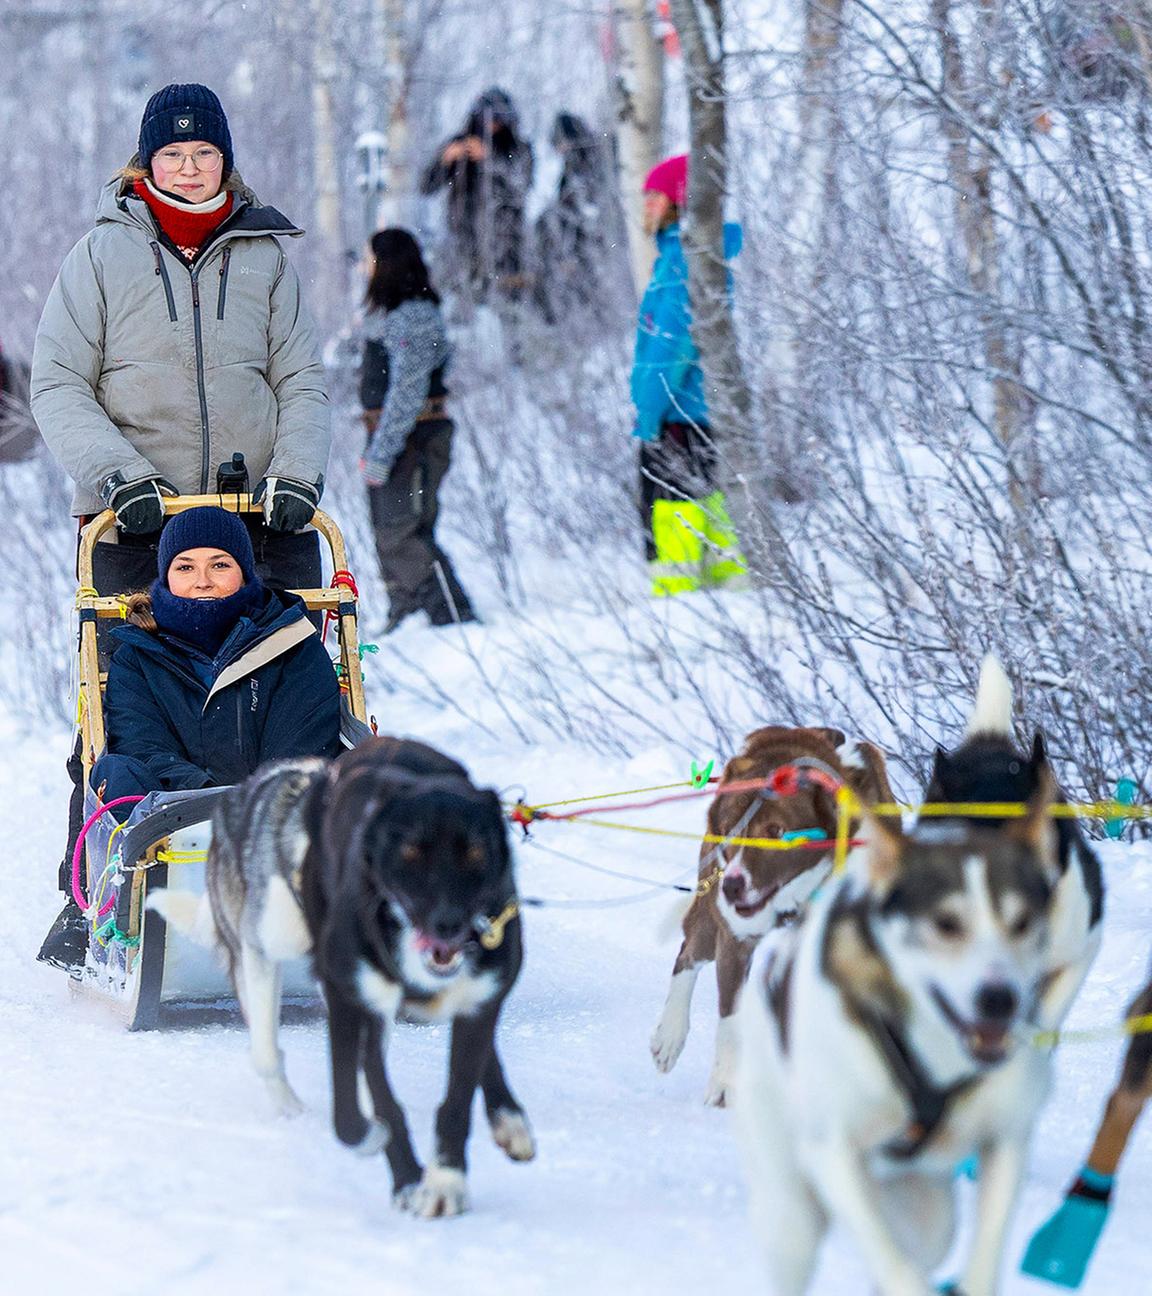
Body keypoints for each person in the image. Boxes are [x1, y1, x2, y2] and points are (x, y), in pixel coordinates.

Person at [31, 82, 330, 586]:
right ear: (148, 163)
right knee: (132, 643)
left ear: (224, 160)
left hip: (259, 518)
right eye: (172, 154)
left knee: (285, 641)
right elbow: (58, 384)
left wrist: (297, 473)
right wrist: (119, 476)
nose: (189, 168)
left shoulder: (266, 257)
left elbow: (300, 379)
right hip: (135, 519)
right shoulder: (98, 255)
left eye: (203, 152)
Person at [38, 506, 342, 971]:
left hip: (279, 820)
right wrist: (205, 800)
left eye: (219, 564)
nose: (202, 581)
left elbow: (303, 747)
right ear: (165, 575)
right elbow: (143, 746)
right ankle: (127, 924)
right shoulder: (136, 655)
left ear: (244, 572)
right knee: (117, 770)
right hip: (172, 820)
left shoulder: (294, 645)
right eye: (185, 567)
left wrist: (246, 806)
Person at [630, 154, 745, 597]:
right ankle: (731, 603)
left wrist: (649, 412)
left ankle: (678, 609)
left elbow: (672, 348)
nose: (647, 205)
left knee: (671, 525)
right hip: (698, 414)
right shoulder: (687, 257)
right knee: (711, 519)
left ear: (679, 201)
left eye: (656, 196)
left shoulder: (683, 262)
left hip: (677, 417)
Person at [359, 229, 476, 633]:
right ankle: (405, 609)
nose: (364, 267)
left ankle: (453, 615)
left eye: (369, 259)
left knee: (402, 531)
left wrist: (382, 452)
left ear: (386, 264)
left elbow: (407, 394)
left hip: (413, 439)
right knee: (391, 528)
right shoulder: (395, 314)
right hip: (400, 436)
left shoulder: (413, 316)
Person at [421, 87, 534, 301]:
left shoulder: (518, 149)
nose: (492, 126)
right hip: (463, 240)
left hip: (506, 245)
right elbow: (427, 186)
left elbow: (521, 186)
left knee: (505, 301)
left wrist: (490, 159)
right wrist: (444, 160)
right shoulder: (459, 144)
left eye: (498, 120)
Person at [533, 112, 624, 323]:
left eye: (561, 143)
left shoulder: (591, 157)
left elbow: (587, 201)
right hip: (585, 237)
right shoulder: (574, 164)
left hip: (598, 235)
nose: (560, 149)